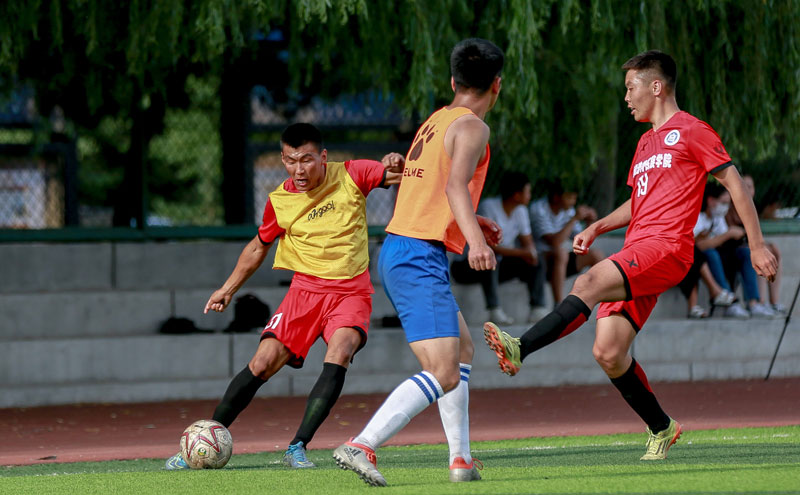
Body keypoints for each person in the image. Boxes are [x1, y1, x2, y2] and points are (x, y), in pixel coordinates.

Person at [483, 50, 777, 462]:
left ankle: (520, 348)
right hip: (637, 249)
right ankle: (662, 426)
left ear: (656, 87)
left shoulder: (692, 130)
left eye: (630, 87)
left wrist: (758, 244)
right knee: (608, 351)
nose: (626, 96)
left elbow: (735, 185)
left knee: (585, 282)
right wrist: (597, 226)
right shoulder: (644, 143)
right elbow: (637, 201)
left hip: (668, 249)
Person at [165, 123, 403, 470]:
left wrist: (395, 162)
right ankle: (202, 442)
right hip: (304, 292)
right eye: (291, 161)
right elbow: (258, 247)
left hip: (351, 290)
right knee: (262, 363)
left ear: (323, 157)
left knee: (342, 349)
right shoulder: (280, 200)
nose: (299, 169)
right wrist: (227, 289)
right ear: (282, 159)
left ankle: (297, 446)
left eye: (307, 160)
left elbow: (399, 174)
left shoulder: (352, 173)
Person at [333, 38, 504, 486]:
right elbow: (453, 188)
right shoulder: (473, 128)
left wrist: (473, 222)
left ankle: (461, 461)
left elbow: (427, 189)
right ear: (497, 86)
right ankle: (361, 444)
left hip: (403, 248)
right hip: (417, 255)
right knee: (443, 371)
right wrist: (475, 244)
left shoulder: (436, 120)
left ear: (453, 81)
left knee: (462, 351)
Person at [450, 171, 547, 325]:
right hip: (466, 266)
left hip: (498, 265)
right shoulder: (488, 207)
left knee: (536, 261)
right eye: (527, 191)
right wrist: (524, 252)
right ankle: (494, 310)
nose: (530, 195)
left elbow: (527, 241)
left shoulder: (521, 211)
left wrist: (531, 253)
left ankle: (538, 308)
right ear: (517, 195)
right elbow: (490, 247)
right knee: (488, 258)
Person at [529, 180, 604, 305]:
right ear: (556, 197)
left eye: (574, 198)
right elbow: (554, 242)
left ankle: (604, 299)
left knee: (595, 254)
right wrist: (575, 218)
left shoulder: (568, 210)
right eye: (569, 197)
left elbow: (582, 241)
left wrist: (589, 224)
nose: (573, 202)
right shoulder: (539, 209)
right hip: (539, 262)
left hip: (560, 262)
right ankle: (559, 304)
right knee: (560, 253)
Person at [727, 175, 786, 315]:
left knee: (772, 252)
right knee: (759, 257)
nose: (748, 190)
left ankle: (773, 302)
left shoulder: (751, 208)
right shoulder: (730, 209)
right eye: (744, 186)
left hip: (748, 247)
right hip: (734, 249)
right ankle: (758, 302)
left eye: (750, 187)